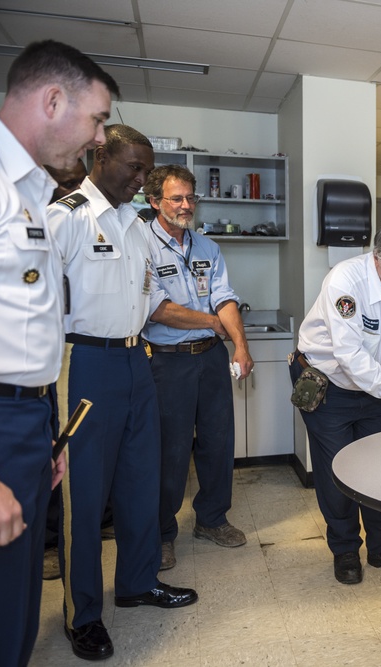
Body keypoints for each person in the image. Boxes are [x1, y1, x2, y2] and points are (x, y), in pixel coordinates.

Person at [0, 39, 113, 666]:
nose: (101, 138)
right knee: (1, 602)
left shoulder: (31, 189)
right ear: (53, 100)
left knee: (24, 592)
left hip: (27, 416)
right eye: (98, 118)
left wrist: (45, 433)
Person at [48, 124, 198, 662]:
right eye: (133, 167)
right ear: (99, 155)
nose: (142, 178)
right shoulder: (64, 217)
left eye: (145, 169)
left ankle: (137, 582)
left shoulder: (135, 227)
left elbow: (152, 298)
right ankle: (82, 614)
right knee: (84, 497)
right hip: (86, 362)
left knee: (142, 480)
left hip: (138, 360)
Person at [295, 221, 381, 585]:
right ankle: (344, 550)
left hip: (375, 387)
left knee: (380, 469)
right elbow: (349, 356)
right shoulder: (345, 282)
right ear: (377, 258)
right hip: (329, 384)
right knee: (337, 470)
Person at [142, 164, 252, 571]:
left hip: (211, 358)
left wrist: (239, 343)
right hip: (168, 364)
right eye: (177, 198)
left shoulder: (207, 247)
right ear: (155, 202)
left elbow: (224, 296)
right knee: (170, 451)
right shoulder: (143, 245)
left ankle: (211, 519)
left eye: (191, 197)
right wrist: (212, 322)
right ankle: (163, 532)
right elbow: (157, 309)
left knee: (218, 442)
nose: (186, 205)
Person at [41, 157, 90, 582]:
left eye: (78, 181)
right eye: (66, 182)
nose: (73, 189)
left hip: (89, 355)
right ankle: (47, 545)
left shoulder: (98, 221)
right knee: (58, 453)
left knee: (79, 458)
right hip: (57, 358)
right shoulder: (53, 222)